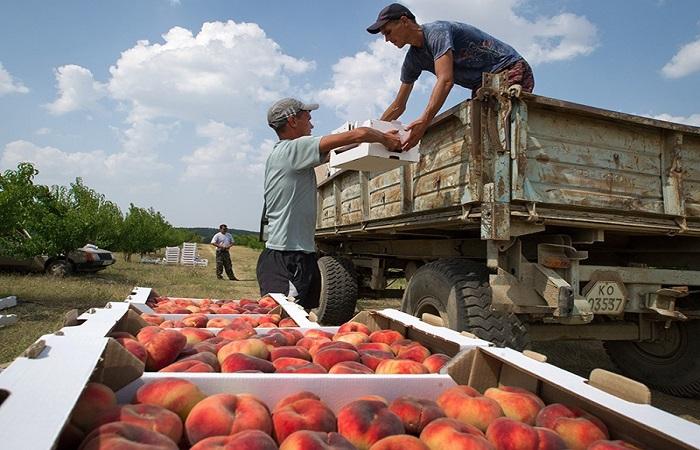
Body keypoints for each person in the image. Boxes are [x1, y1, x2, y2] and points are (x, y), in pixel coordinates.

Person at [256, 97, 402, 310]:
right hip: (286, 258)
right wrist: (386, 140)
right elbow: (358, 134)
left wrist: (380, 128)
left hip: (299, 255)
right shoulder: (292, 150)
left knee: (298, 324)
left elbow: (349, 144)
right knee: (280, 323)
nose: (312, 124)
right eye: (308, 118)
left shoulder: (295, 154)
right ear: (292, 121)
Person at [367, 3, 534, 150]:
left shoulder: (437, 32)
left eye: (388, 32)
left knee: (505, 134)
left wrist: (424, 121)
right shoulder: (412, 59)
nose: (387, 40)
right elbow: (399, 105)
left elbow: (446, 80)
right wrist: (373, 133)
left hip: (508, 69)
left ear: (404, 21)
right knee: (482, 137)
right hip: (482, 85)